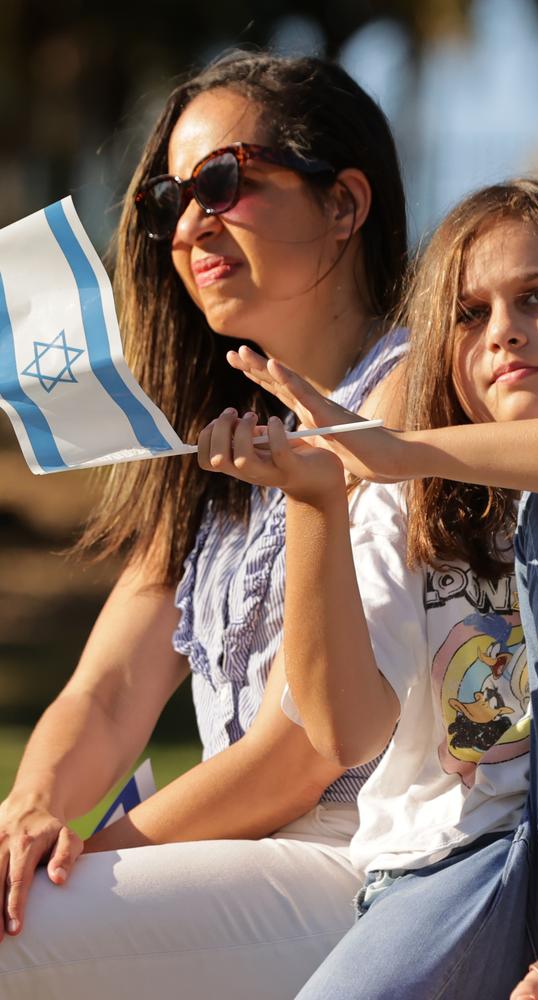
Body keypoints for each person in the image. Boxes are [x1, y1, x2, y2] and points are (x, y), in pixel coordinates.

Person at [0, 50, 410, 999]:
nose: (191, 223)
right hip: (246, 862)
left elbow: (305, 750)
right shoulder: (215, 439)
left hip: (377, 864)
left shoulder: (407, 395)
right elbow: (106, 692)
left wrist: (90, 862)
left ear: (345, 204)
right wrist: (32, 813)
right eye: (168, 201)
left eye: (223, 182)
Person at [207, 178, 538, 1000]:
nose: (504, 335)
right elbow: (345, 730)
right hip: (444, 863)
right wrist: (317, 503)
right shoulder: (406, 506)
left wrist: (408, 448)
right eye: (470, 314)